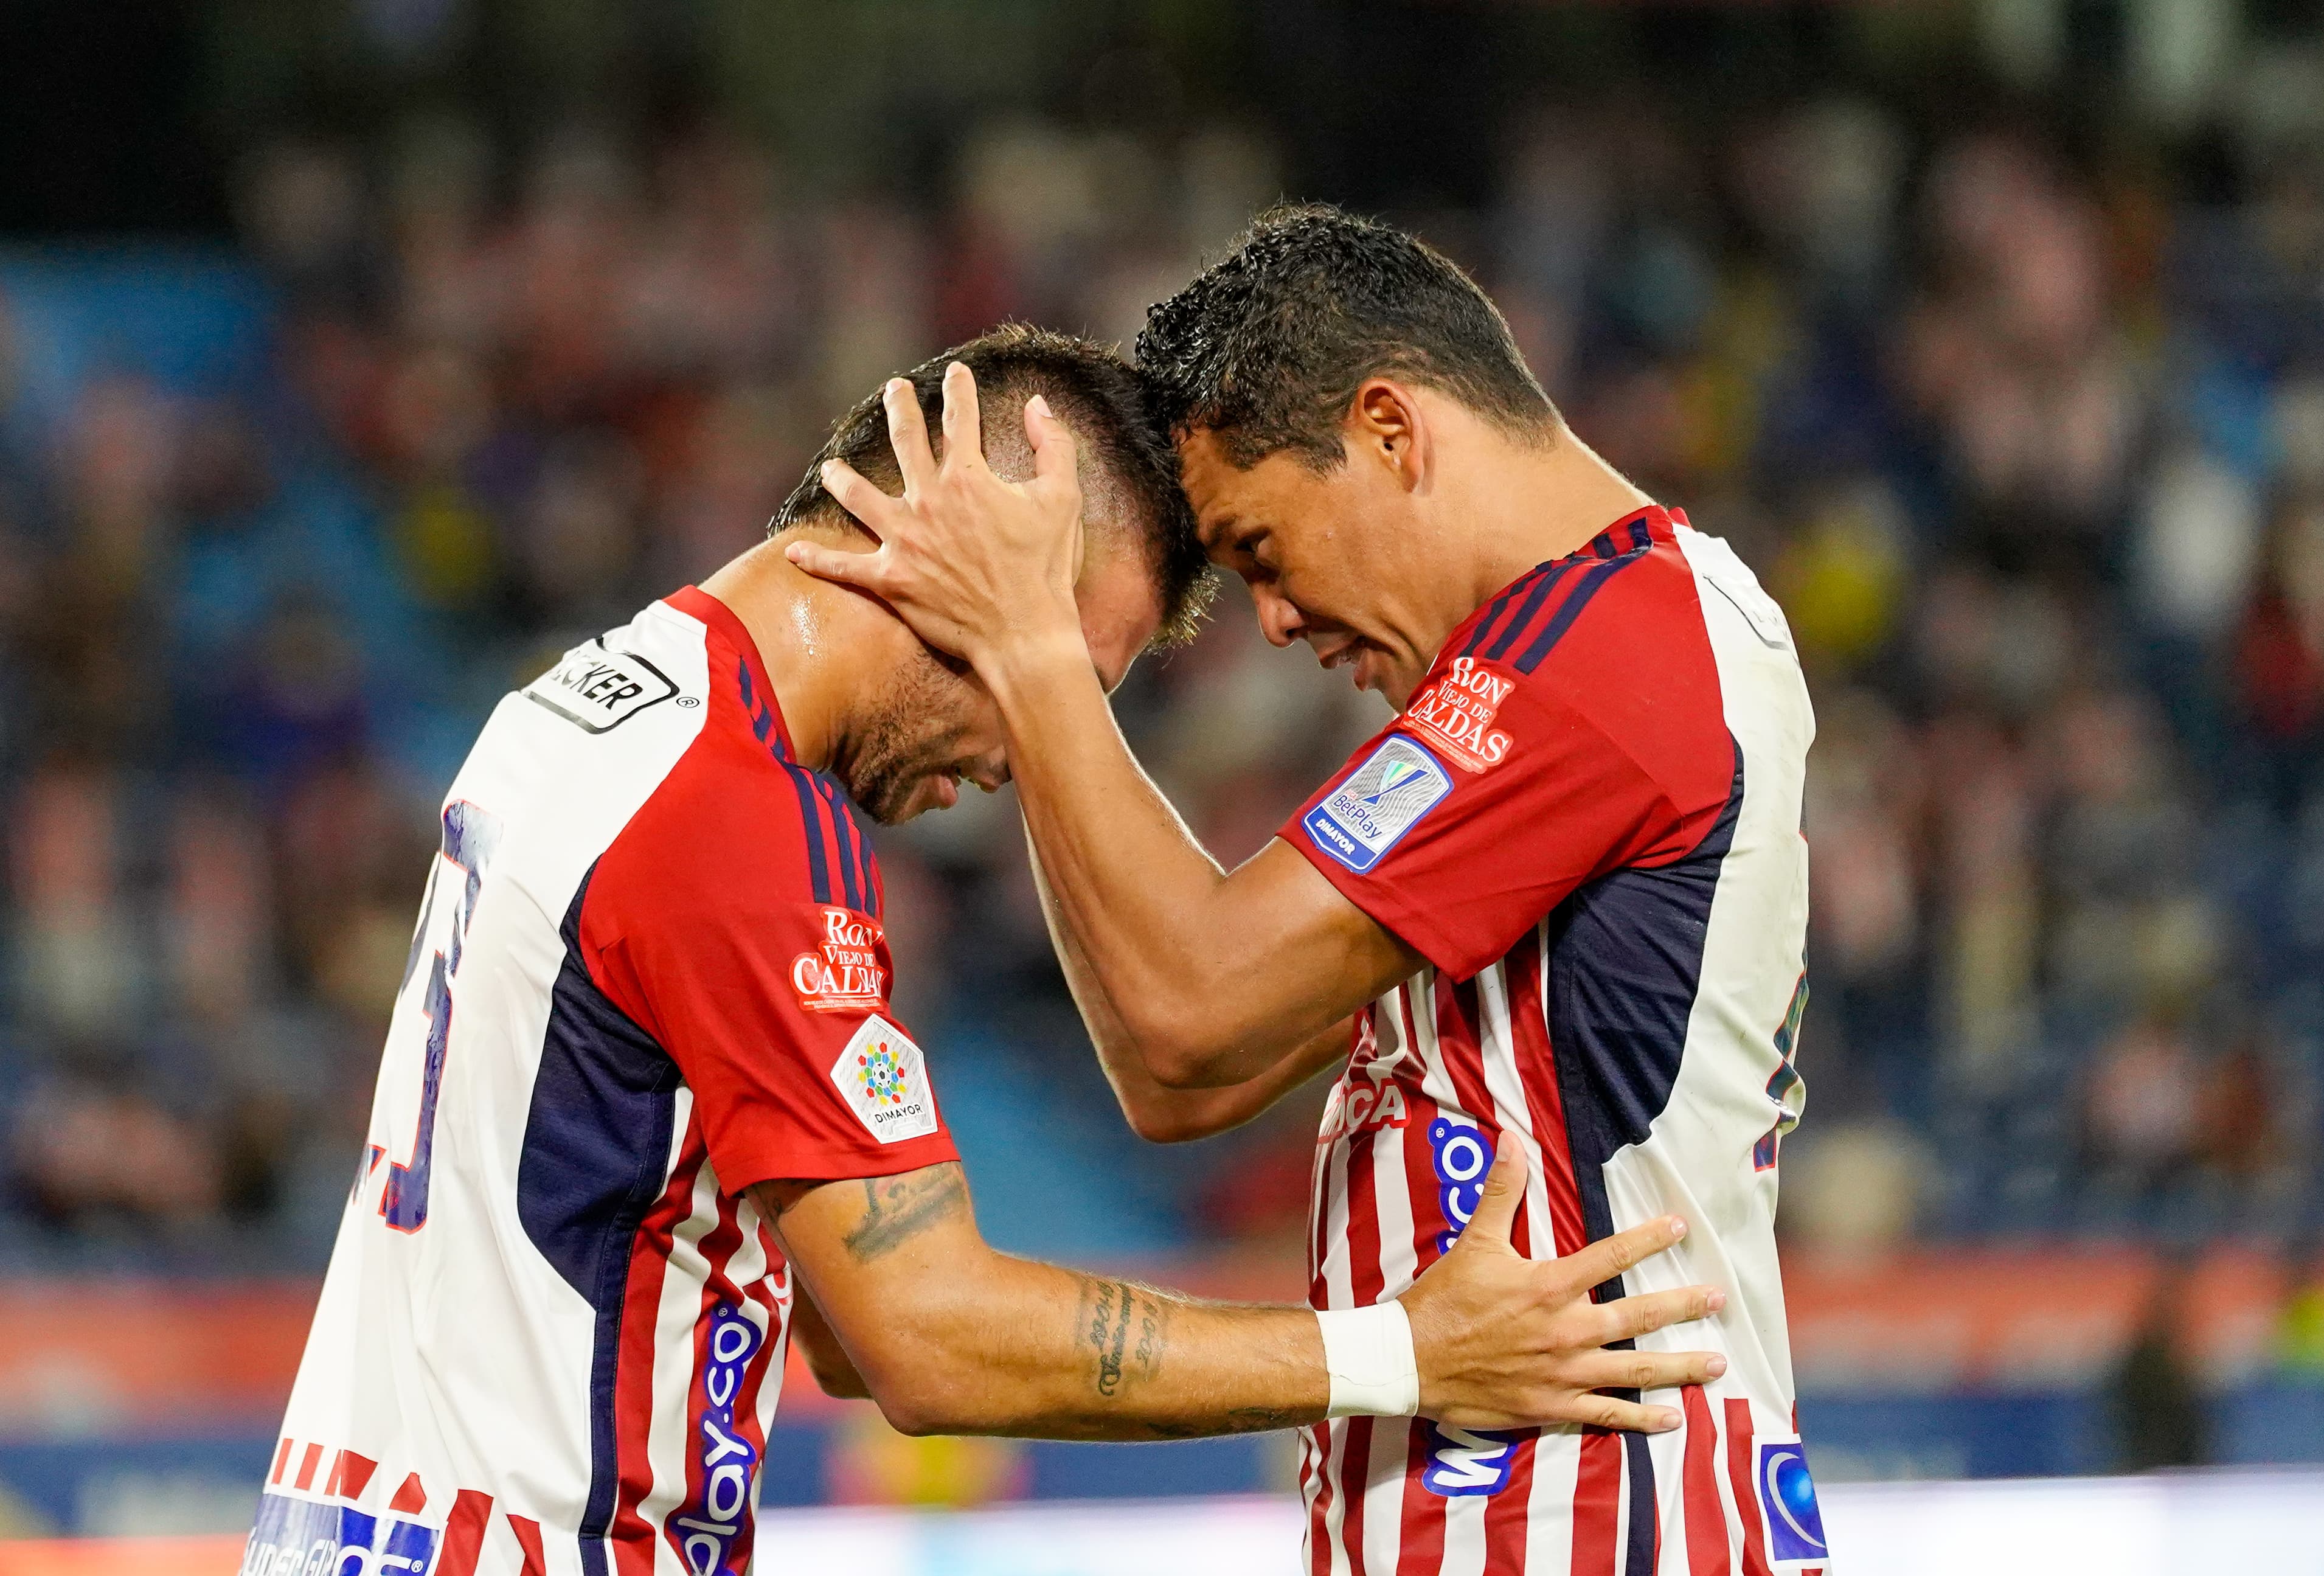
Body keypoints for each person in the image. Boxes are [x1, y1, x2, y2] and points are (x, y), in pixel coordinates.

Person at [243, 325, 1727, 1576]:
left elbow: (828, 1321)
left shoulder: (585, 704)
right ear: (955, 558)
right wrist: (1399, 1354)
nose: (1037, 750)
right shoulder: (739, 813)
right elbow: (925, 1338)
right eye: (1055, 676)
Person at [786, 210, 1822, 1575]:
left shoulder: (1612, 649)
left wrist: (1032, 647)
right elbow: (1185, 1087)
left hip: (1589, 1521)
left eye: (1263, 548)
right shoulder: (1580, 655)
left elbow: (1189, 1013)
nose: (1272, 622)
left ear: (1390, 432)